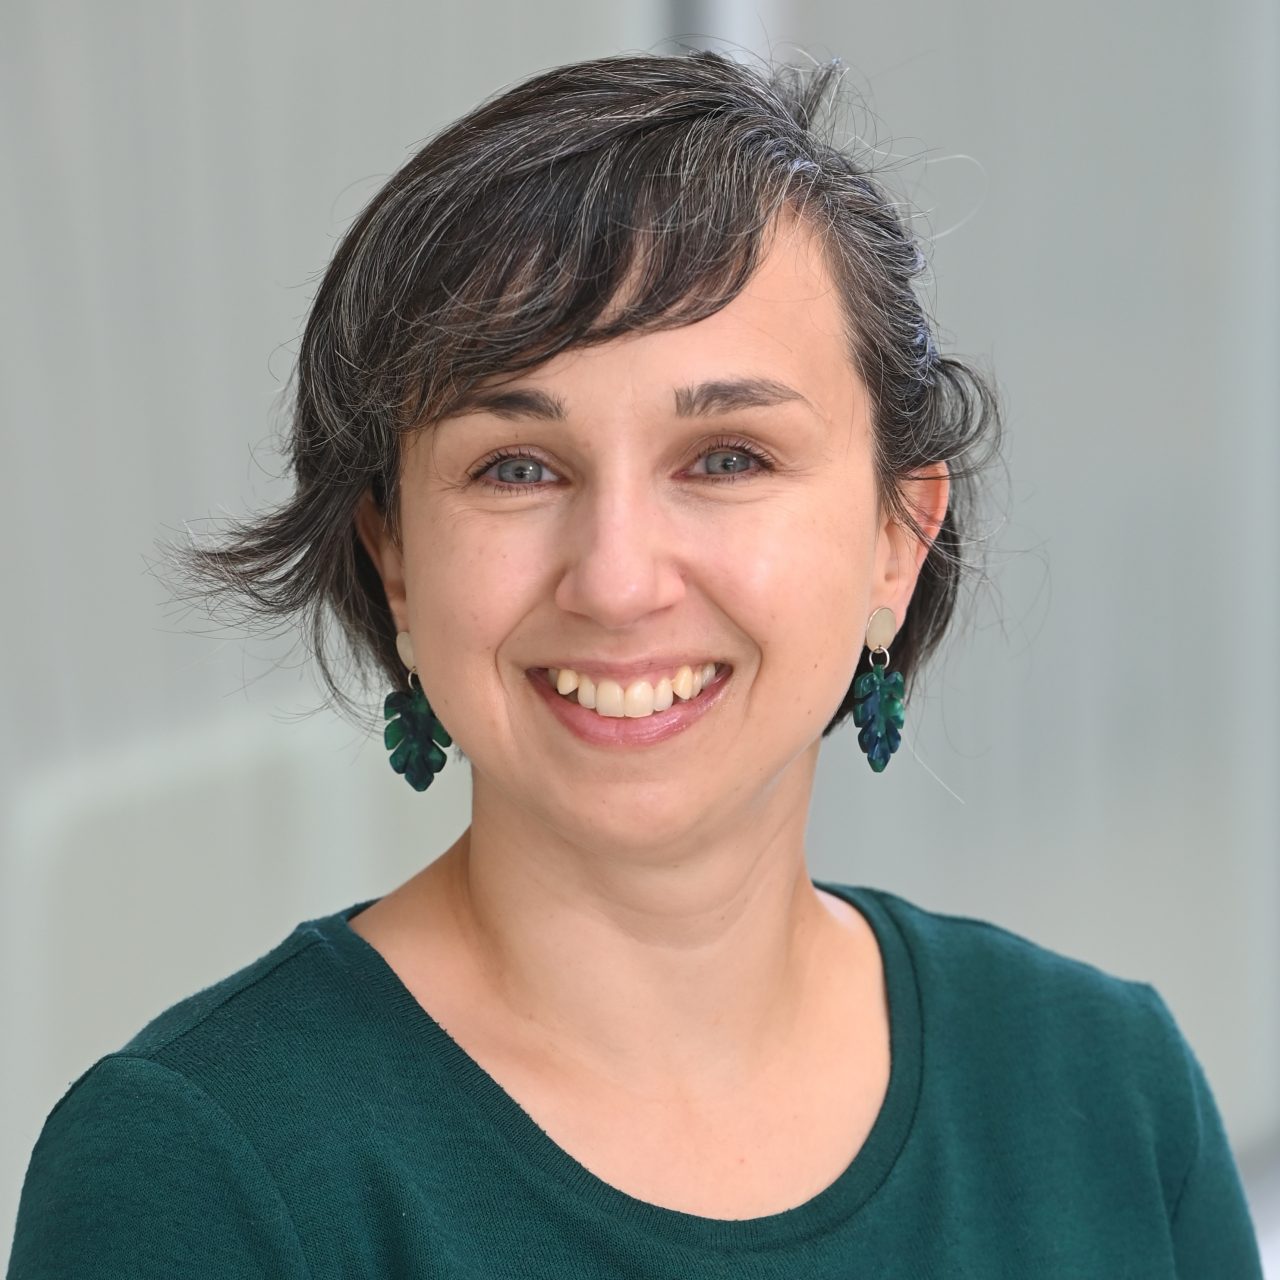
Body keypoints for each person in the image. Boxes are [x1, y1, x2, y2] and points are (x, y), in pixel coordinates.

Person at [7, 51, 1263, 1278]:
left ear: (898, 537)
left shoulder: (1109, 1085)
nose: (615, 578)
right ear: (395, 558)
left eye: (725, 457)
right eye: (516, 466)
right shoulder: (197, 1168)